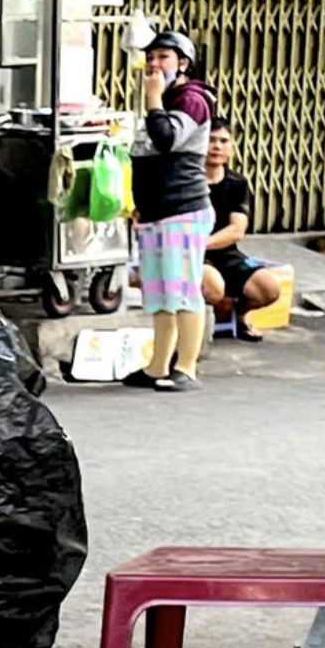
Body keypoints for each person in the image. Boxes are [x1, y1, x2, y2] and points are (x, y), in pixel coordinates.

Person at [126, 31, 216, 391]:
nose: (153, 64)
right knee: (159, 292)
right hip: (155, 211)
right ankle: (158, 365)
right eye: (150, 57)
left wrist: (152, 99)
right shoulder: (165, 100)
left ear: (183, 63)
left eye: (163, 56)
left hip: (183, 208)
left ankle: (188, 367)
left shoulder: (191, 100)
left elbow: (166, 138)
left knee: (183, 289)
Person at [199, 118, 283, 341]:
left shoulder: (237, 183)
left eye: (223, 141)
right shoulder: (189, 180)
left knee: (269, 288)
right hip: (192, 255)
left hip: (224, 252)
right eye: (211, 140)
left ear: (231, 147)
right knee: (214, 287)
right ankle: (208, 319)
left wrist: (204, 243)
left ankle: (238, 315)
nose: (217, 146)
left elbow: (237, 230)